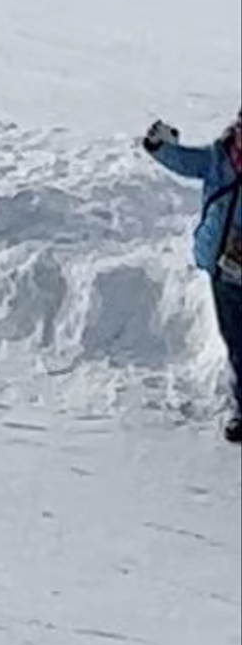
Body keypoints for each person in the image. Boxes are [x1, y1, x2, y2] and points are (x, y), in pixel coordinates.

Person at [140, 114, 242, 439]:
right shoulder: (218, 159)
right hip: (223, 271)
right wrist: (159, 146)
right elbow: (186, 162)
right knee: (238, 344)